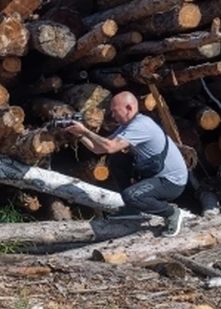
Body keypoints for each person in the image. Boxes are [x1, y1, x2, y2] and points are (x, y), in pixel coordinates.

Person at [64, 91, 188, 236]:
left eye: (115, 111)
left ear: (129, 108)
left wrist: (85, 131)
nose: (113, 116)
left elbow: (109, 146)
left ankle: (171, 213)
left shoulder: (141, 125)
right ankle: (132, 209)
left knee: (133, 196)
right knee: (117, 158)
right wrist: (79, 134)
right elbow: (99, 149)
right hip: (155, 174)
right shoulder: (128, 125)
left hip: (172, 182)